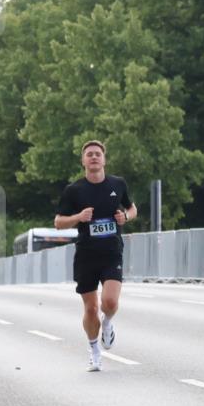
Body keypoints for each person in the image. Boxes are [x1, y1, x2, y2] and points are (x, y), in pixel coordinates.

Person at [54, 140, 137, 371]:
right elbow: (59, 222)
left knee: (109, 303)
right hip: (86, 255)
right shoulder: (74, 190)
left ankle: (108, 323)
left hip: (112, 253)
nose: (93, 157)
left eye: (97, 154)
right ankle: (93, 350)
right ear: (83, 161)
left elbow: (132, 208)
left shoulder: (117, 184)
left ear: (104, 159)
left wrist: (126, 217)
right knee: (90, 309)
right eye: (89, 154)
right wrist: (78, 217)